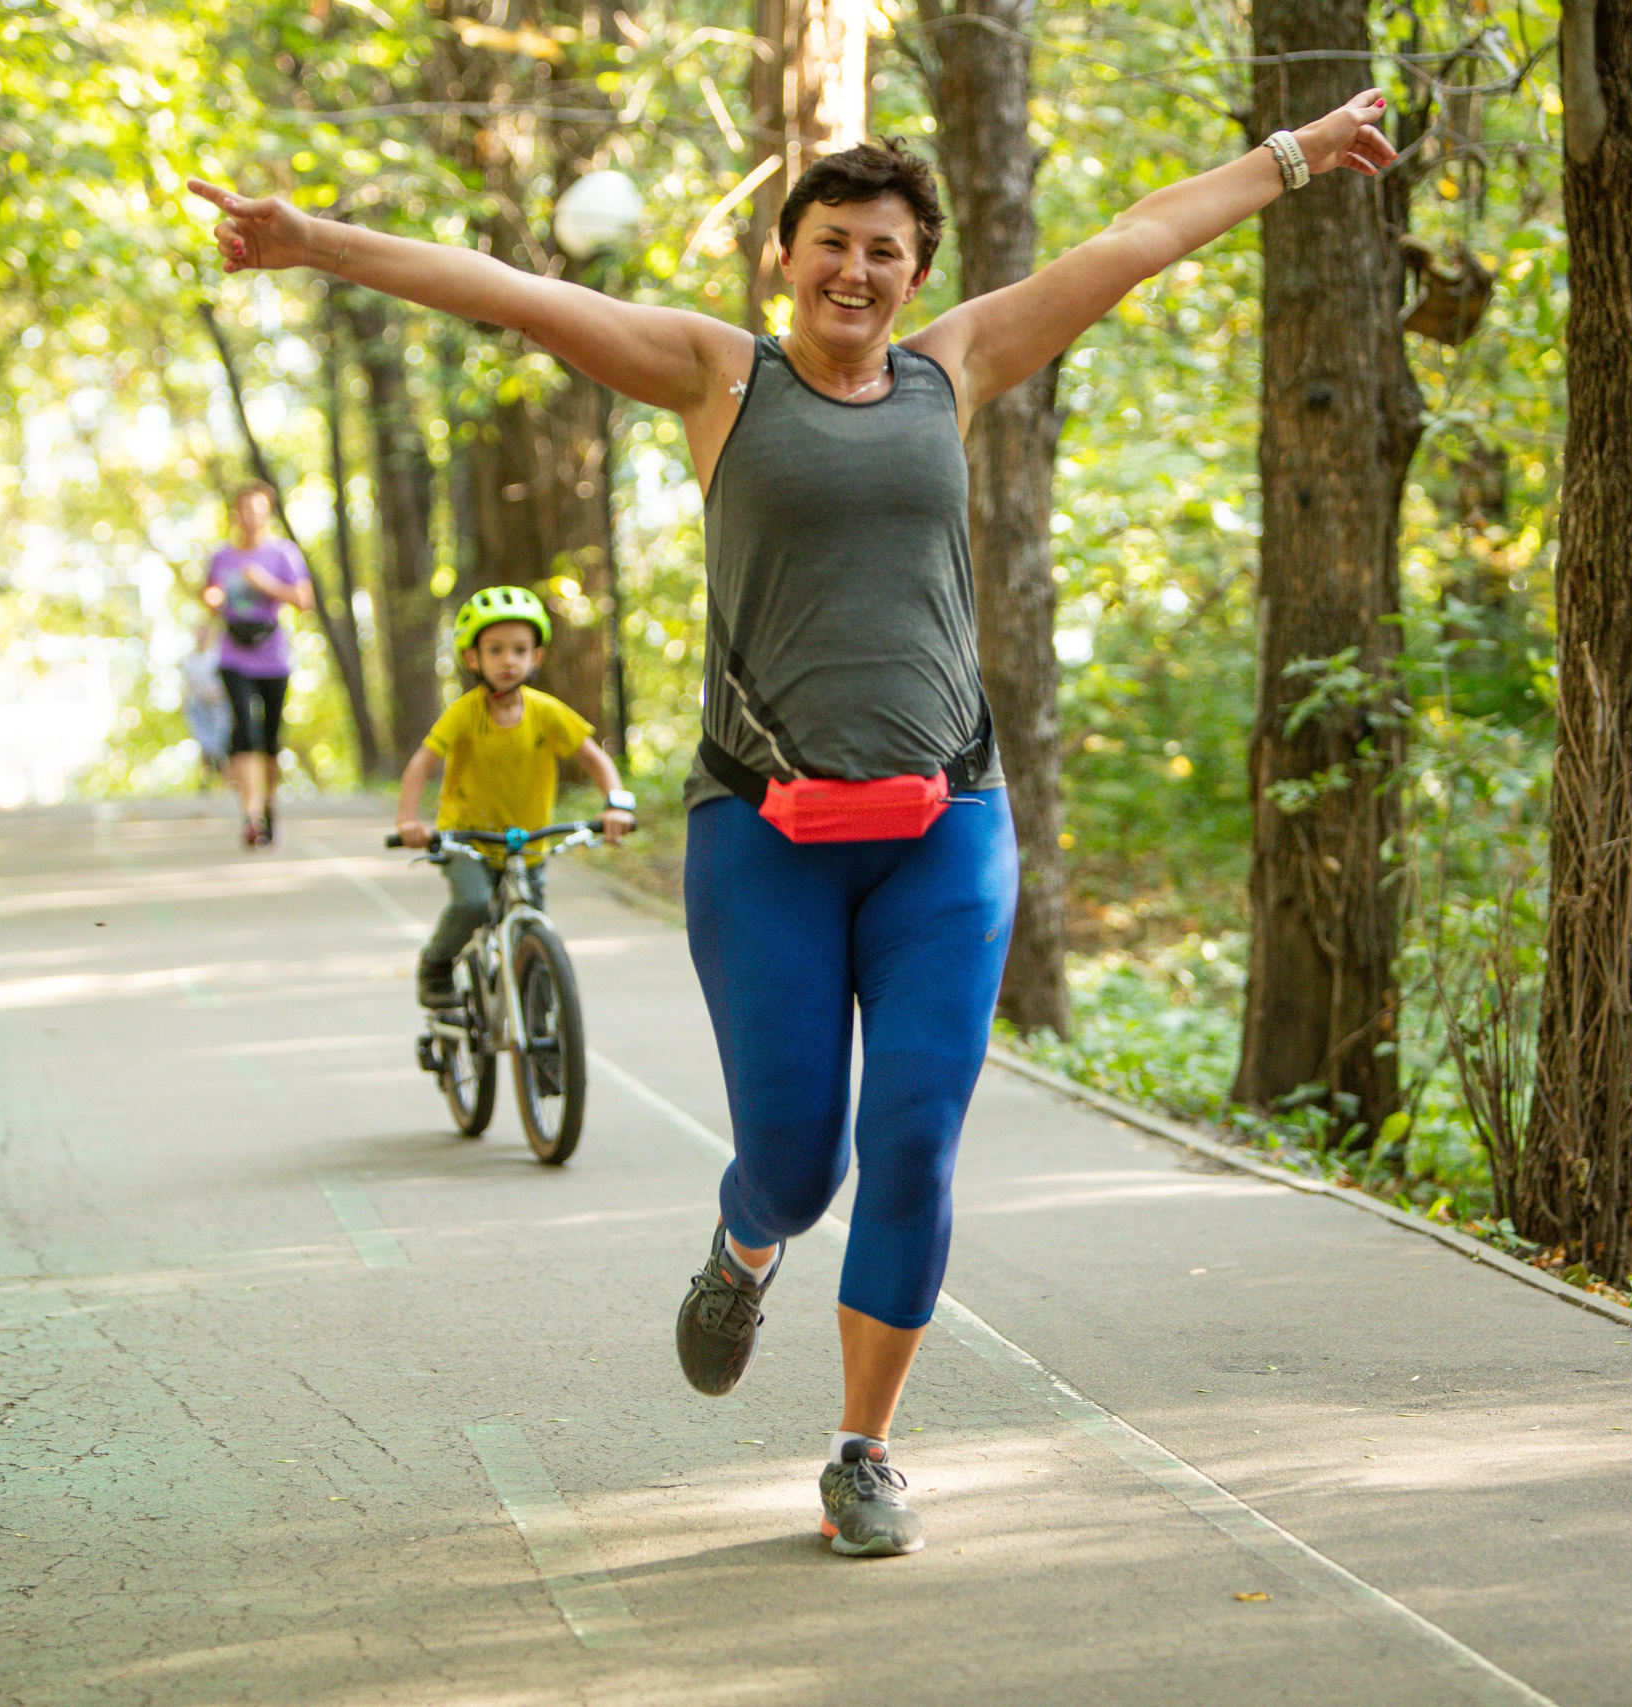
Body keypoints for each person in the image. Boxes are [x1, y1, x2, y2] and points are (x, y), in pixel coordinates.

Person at [193, 88, 1395, 1557]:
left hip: (945, 824)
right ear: (787, 255)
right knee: (796, 1155)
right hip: (764, 835)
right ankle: (745, 1242)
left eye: (886, 251)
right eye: (832, 243)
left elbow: (1133, 241)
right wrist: (314, 242)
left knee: (914, 1139)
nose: (857, 271)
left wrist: (1296, 155)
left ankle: (862, 1451)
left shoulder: (954, 368)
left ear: (917, 270)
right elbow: (513, 293)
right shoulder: (718, 376)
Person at [395, 586, 635, 1007]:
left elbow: (595, 759)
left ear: (536, 657)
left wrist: (617, 804)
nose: (509, 660)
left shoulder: (546, 711)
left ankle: (542, 1030)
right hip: (468, 840)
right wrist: (407, 822)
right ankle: (436, 965)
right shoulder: (464, 713)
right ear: (473, 659)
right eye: (496, 650)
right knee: (473, 905)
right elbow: (421, 764)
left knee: (533, 939)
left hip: (528, 845)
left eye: (520, 650)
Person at [202, 480, 313, 848]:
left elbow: (304, 600)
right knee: (244, 731)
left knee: (268, 737)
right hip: (234, 653)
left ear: (267, 514)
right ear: (235, 514)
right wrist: (213, 597)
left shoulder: (283, 553)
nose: (250, 517)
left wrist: (265, 583)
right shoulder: (222, 556)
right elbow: (211, 594)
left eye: (257, 510)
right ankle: (250, 816)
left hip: (272, 655)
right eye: (244, 509)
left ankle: (267, 805)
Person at [177, 620, 233, 792]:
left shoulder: (217, 657)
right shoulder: (189, 659)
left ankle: (227, 781)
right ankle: (207, 777)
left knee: (222, 742)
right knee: (204, 741)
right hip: (198, 705)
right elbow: (187, 683)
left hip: (218, 705)